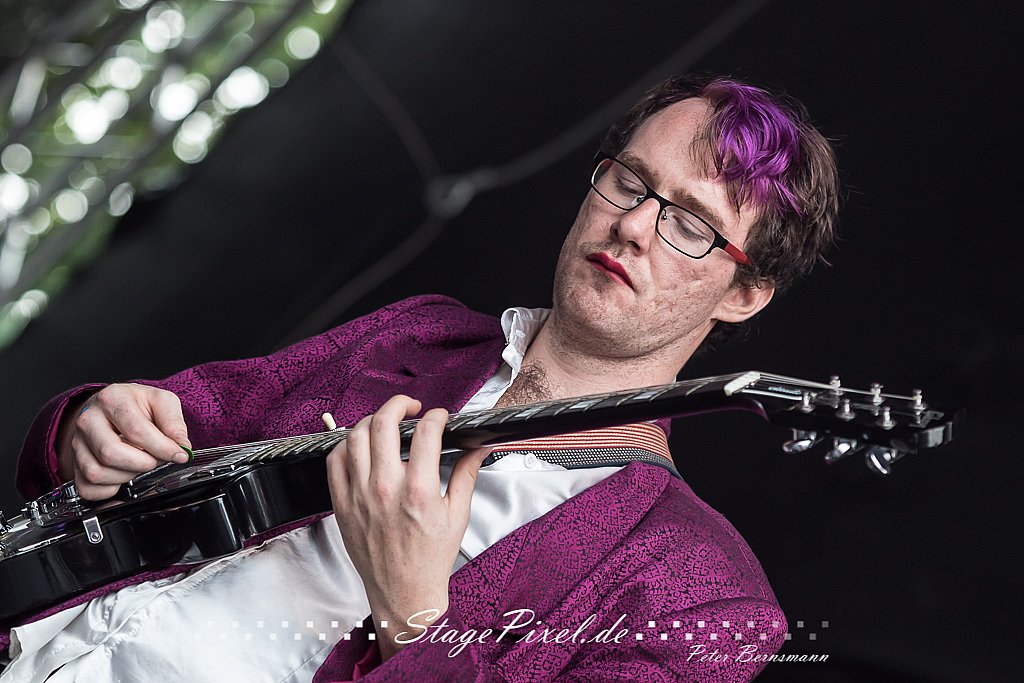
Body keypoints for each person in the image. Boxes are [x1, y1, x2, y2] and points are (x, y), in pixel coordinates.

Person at [2, 73, 838, 681]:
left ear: (746, 292)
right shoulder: (422, 331)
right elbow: (186, 420)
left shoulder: (708, 594)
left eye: (691, 223)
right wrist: (91, 426)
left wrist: (414, 616)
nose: (635, 226)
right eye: (630, 181)